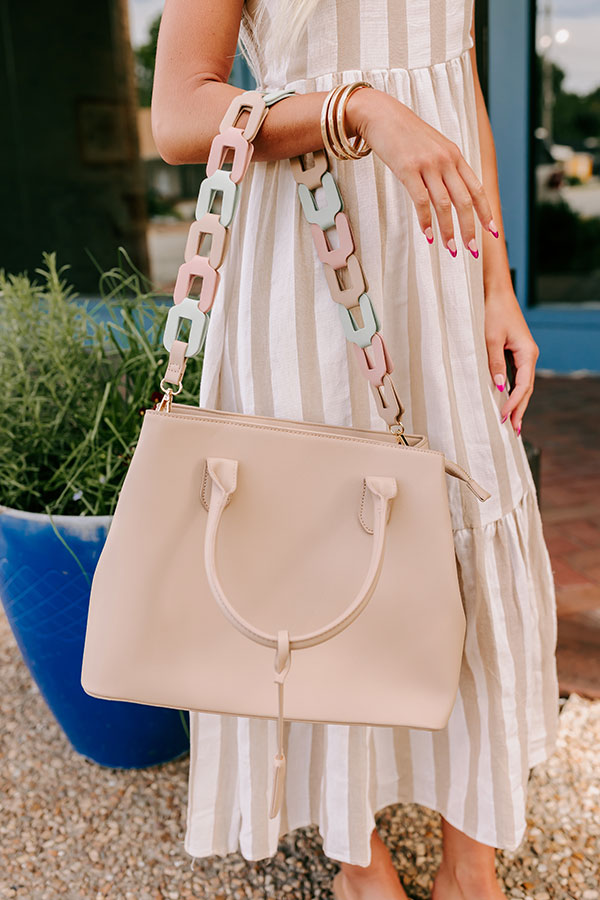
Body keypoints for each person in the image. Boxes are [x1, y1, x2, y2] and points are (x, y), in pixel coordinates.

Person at [151, 1, 559, 897]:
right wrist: (358, 107)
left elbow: (457, 82)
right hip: (303, 247)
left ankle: (470, 861)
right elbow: (180, 113)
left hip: (442, 259)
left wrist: (498, 281)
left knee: (467, 520)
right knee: (323, 554)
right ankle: (356, 856)